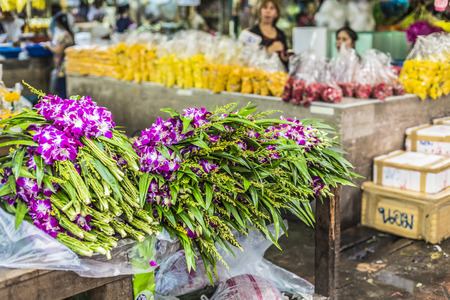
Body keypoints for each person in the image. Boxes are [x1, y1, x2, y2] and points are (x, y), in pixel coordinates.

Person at [249, 0, 289, 69]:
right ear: (259, 11)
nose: (268, 11)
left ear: (276, 13)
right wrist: (268, 51)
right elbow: (248, 60)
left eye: (272, 8)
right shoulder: (252, 34)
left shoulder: (281, 34)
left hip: (278, 77)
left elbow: (285, 61)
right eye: (265, 7)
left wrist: (286, 58)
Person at [44, 13, 74, 99]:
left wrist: (48, 45)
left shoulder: (64, 35)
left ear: (58, 23)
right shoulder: (69, 33)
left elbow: (58, 51)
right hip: (66, 67)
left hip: (63, 69)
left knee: (62, 94)